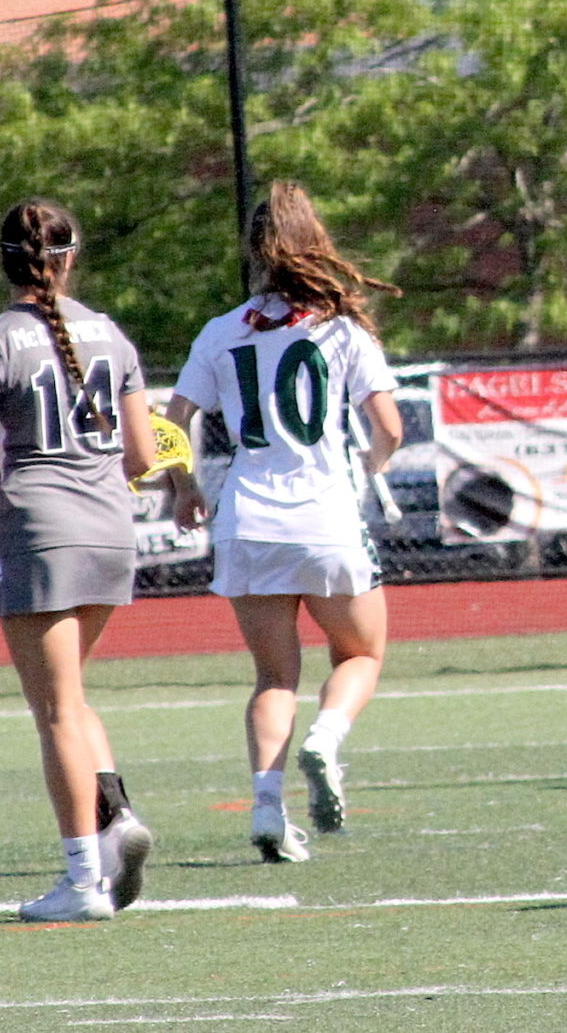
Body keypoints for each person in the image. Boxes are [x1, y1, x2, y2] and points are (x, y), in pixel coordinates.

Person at [0, 197, 161, 922]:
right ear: (70, 257)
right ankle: (115, 816)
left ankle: (84, 880)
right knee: (73, 696)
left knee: (54, 709)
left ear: (5, 262)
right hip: (111, 533)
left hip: (41, 536)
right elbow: (143, 455)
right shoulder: (112, 334)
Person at [163, 181, 402, 863]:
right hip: (325, 514)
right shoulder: (341, 328)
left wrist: (184, 487)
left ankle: (267, 808)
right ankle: (326, 738)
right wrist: (372, 468)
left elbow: (171, 422)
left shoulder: (220, 330)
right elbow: (388, 427)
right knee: (360, 652)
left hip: (248, 517)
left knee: (273, 676)